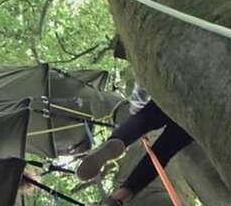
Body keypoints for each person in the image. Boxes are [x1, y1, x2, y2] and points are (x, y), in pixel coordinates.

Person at [76, 37, 194, 206]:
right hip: (190, 109)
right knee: (163, 147)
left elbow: (141, 93)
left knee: (149, 128)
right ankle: (123, 184)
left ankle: (123, 192)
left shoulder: (146, 60)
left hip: (171, 96)